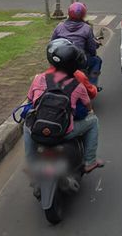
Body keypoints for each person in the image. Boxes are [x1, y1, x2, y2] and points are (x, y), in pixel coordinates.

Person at [23, 39, 104, 173]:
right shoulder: (78, 83)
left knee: (27, 125)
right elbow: (88, 106)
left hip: (38, 129)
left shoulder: (39, 78)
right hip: (64, 131)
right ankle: (90, 161)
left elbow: (30, 100)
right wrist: (88, 112)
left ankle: (31, 163)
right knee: (93, 121)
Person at [51, 2, 102, 85]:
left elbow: (52, 43)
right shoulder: (86, 28)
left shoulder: (59, 26)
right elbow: (92, 49)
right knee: (97, 60)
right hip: (79, 61)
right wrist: (93, 50)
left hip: (61, 61)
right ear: (83, 14)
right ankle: (92, 85)